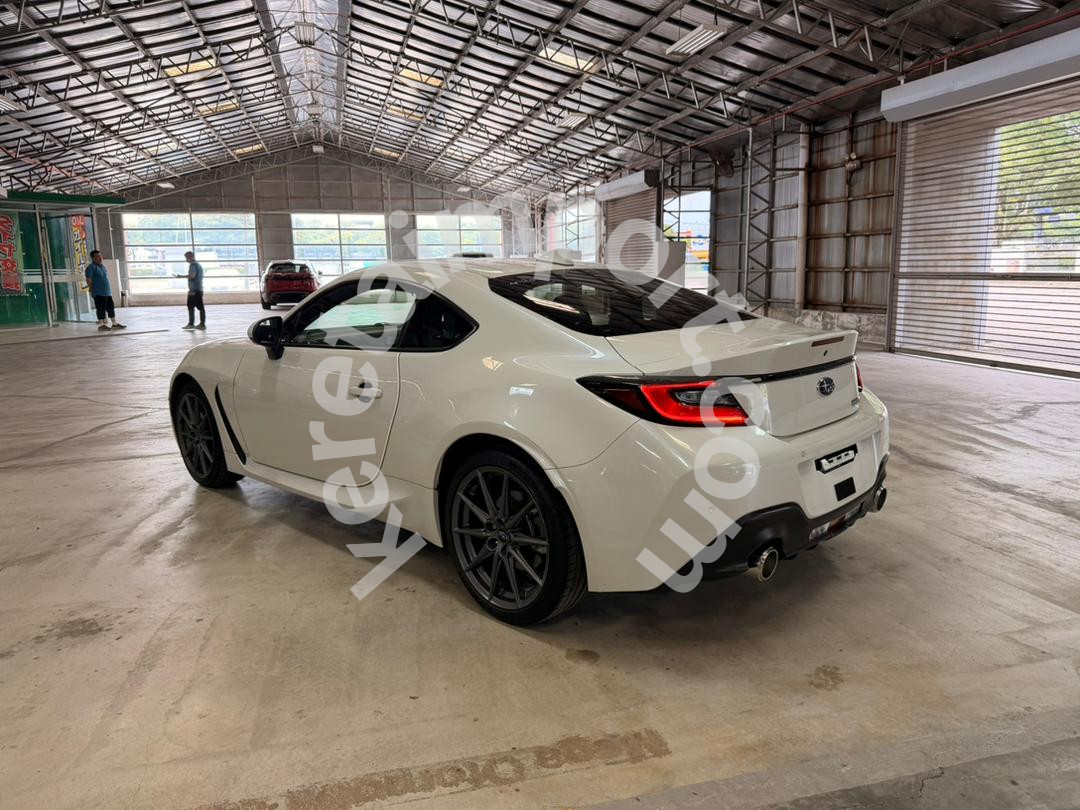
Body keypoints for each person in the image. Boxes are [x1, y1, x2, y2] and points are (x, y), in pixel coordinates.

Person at [84, 250, 125, 330]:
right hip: (98, 292)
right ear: (93, 258)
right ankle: (101, 325)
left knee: (110, 307)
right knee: (100, 308)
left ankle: (114, 323)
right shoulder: (91, 268)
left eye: (100, 256)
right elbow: (89, 280)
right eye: (97, 256)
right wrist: (92, 290)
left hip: (107, 292)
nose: (100, 258)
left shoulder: (103, 267)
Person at [175, 250, 205, 330]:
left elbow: (192, 276)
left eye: (186, 258)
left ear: (191, 257)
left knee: (190, 306)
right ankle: (202, 324)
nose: (186, 260)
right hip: (199, 289)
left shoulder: (193, 265)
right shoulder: (198, 265)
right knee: (200, 307)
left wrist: (181, 276)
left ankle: (191, 324)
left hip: (193, 290)